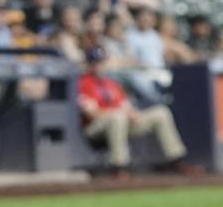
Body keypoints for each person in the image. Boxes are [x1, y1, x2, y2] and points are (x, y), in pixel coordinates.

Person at [78, 47, 200, 180]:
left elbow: (126, 105)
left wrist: (132, 113)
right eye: (96, 63)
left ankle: (176, 160)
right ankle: (119, 166)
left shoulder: (111, 83)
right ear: (89, 64)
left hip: (122, 122)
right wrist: (119, 113)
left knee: (161, 112)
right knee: (117, 118)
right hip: (95, 128)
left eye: (102, 62)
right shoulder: (83, 83)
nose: (100, 66)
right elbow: (91, 113)